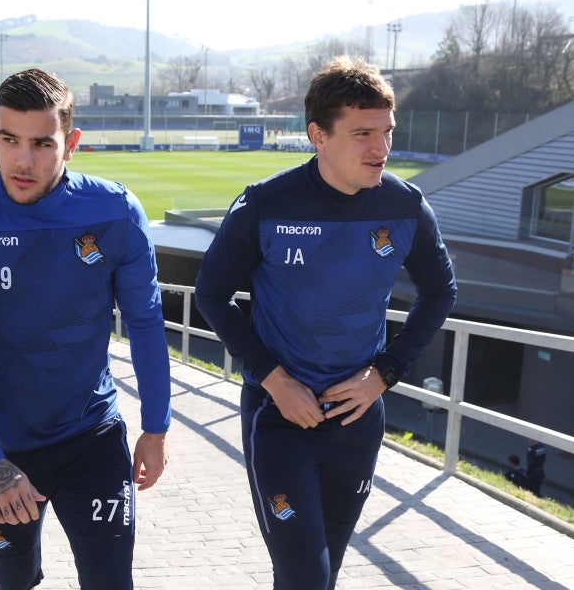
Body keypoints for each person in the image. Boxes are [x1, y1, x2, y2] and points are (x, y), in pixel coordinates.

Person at [0, 68, 171, 590]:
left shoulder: (115, 211)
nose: (23, 161)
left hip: (90, 438)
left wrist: (155, 427)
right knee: (14, 581)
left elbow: (145, 324)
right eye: (9, 140)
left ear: (70, 142)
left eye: (42, 144)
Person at [194, 55, 457, 590]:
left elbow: (440, 292)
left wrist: (384, 374)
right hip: (278, 418)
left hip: (357, 421)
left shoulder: (406, 207)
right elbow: (212, 294)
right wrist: (274, 377)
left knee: (322, 574)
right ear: (318, 134)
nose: (381, 149)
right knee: (305, 578)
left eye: (386, 131)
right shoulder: (264, 205)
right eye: (362, 134)